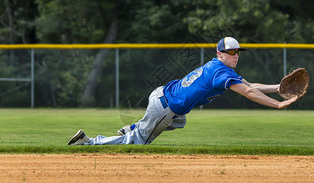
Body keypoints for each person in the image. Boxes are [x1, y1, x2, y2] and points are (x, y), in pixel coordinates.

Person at [67, 37, 300, 146]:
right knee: (137, 142)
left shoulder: (218, 67)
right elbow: (248, 93)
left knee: (180, 121)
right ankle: (88, 142)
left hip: (163, 96)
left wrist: (276, 88)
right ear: (220, 54)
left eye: (238, 51)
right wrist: (277, 104)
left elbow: (250, 86)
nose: (236, 55)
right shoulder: (221, 73)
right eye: (231, 52)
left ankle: (137, 125)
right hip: (166, 106)